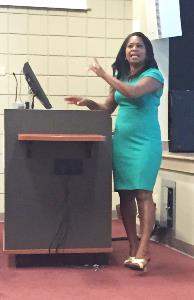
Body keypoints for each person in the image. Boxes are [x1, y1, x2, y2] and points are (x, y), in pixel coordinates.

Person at [64, 32, 164, 271]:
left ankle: (144, 249)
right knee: (125, 195)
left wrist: (104, 75)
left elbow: (133, 93)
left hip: (145, 142)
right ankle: (132, 247)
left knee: (143, 193)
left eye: (139, 46)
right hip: (121, 143)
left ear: (147, 52)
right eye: (129, 46)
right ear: (124, 52)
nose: (134, 49)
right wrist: (88, 102)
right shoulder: (121, 77)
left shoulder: (154, 76)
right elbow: (106, 109)